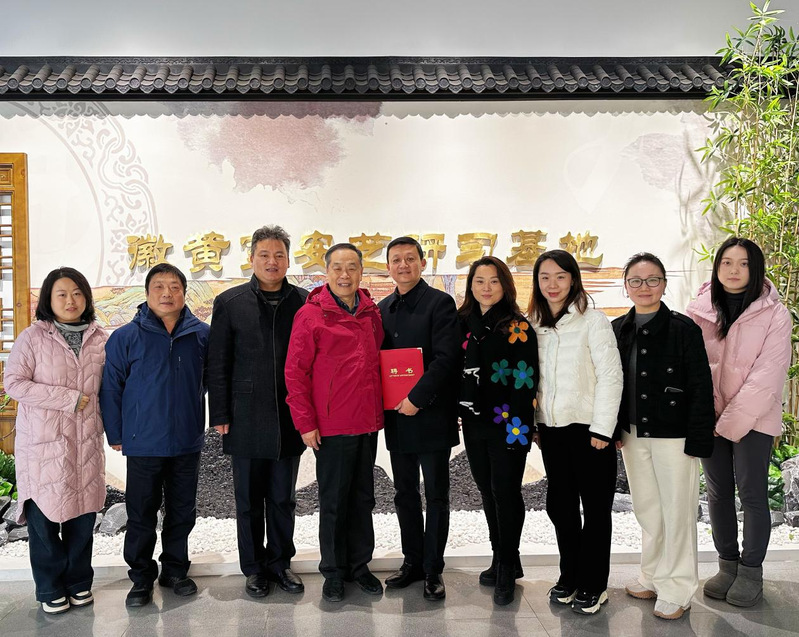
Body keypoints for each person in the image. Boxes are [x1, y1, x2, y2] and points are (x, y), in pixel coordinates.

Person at [686, 237, 792, 607]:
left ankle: (750, 571)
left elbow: (768, 375)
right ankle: (727, 565)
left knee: (751, 493)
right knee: (717, 493)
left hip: (755, 418)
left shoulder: (775, 314)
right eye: (726, 262)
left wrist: (729, 423)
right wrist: (702, 415)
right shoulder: (699, 309)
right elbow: (690, 366)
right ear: (716, 267)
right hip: (709, 416)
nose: (734, 270)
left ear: (755, 268)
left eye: (744, 263)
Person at [612, 252, 715, 620]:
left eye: (653, 279)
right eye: (636, 281)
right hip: (633, 434)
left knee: (677, 511)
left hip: (675, 436)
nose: (645, 287)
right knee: (648, 509)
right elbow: (611, 384)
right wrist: (613, 428)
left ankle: (677, 588)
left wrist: (699, 439)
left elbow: (701, 386)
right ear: (626, 287)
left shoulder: (684, 329)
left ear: (664, 284)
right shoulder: (617, 329)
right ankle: (652, 576)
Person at [100, 263, 210, 608]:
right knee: (141, 513)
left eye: (175, 287)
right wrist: (116, 432)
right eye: (159, 287)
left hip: (186, 440)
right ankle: (141, 578)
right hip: (143, 441)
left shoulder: (202, 335)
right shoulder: (125, 337)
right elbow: (111, 387)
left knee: (182, 511)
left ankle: (175, 571)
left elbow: (212, 381)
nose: (167, 294)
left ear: (184, 294)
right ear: (146, 294)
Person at [207, 225, 308, 598]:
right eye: (264, 255)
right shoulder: (230, 302)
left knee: (283, 497)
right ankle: (253, 569)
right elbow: (218, 362)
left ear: (288, 260)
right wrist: (220, 413)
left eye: (279, 255)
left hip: (289, 415)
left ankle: (281, 563)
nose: (272, 261)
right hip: (245, 415)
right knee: (248, 500)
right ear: (251, 259)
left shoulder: (304, 302)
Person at [4, 268, 108, 614]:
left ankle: (79, 583)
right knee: (44, 521)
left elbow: (111, 389)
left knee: (82, 518)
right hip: (43, 445)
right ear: (48, 299)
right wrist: (67, 398)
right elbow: (14, 383)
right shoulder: (32, 338)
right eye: (61, 294)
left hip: (86, 444)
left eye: (77, 293)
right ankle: (50, 588)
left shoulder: (100, 338)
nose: (70, 300)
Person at [284, 243, 384, 603]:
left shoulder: (371, 312)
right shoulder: (311, 315)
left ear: (361, 272)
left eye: (352, 267)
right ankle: (334, 571)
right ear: (326, 272)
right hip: (331, 424)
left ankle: (360, 565)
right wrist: (305, 423)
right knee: (334, 501)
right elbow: (295, 373)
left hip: (367, 421)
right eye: (338, 268)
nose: (345, 275)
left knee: (363, 498)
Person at [528, 249, 622, 615]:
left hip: (589, 430)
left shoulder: (593, 321)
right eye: (545, 277)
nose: (552, 284)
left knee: (595, 509)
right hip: (551, 431)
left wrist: (603, 428)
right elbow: (533, 380)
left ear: (573, 280)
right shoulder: (533, 324)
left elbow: (611, 376)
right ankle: (570, 576)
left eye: (560, 276)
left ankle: (594, 583)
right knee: (561, 507)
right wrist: (536, 423)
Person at [378, 237, 460, 601]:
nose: (403, 265)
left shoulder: (440, 303)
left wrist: (416, 398)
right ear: (388, 267)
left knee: (437, 495)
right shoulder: (382, 309)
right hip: (398, 417)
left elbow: (446, 359)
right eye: (396, 260)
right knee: (404, 492)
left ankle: (433, 568)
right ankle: (411, 561)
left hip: (431, 415)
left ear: (423, 263)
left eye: (410, 259)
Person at [457, 256, 538, 606]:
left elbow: (525, 380)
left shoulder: (517, 326)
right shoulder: (462, 323)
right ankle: (501, 556)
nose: (486, 288)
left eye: (493, 281)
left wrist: (520, 429)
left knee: (505, 493)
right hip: (473, 421)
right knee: (487, 492)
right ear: (471, 286)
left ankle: (507, 566)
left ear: (505, 285)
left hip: (509, 424)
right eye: (479, 281)